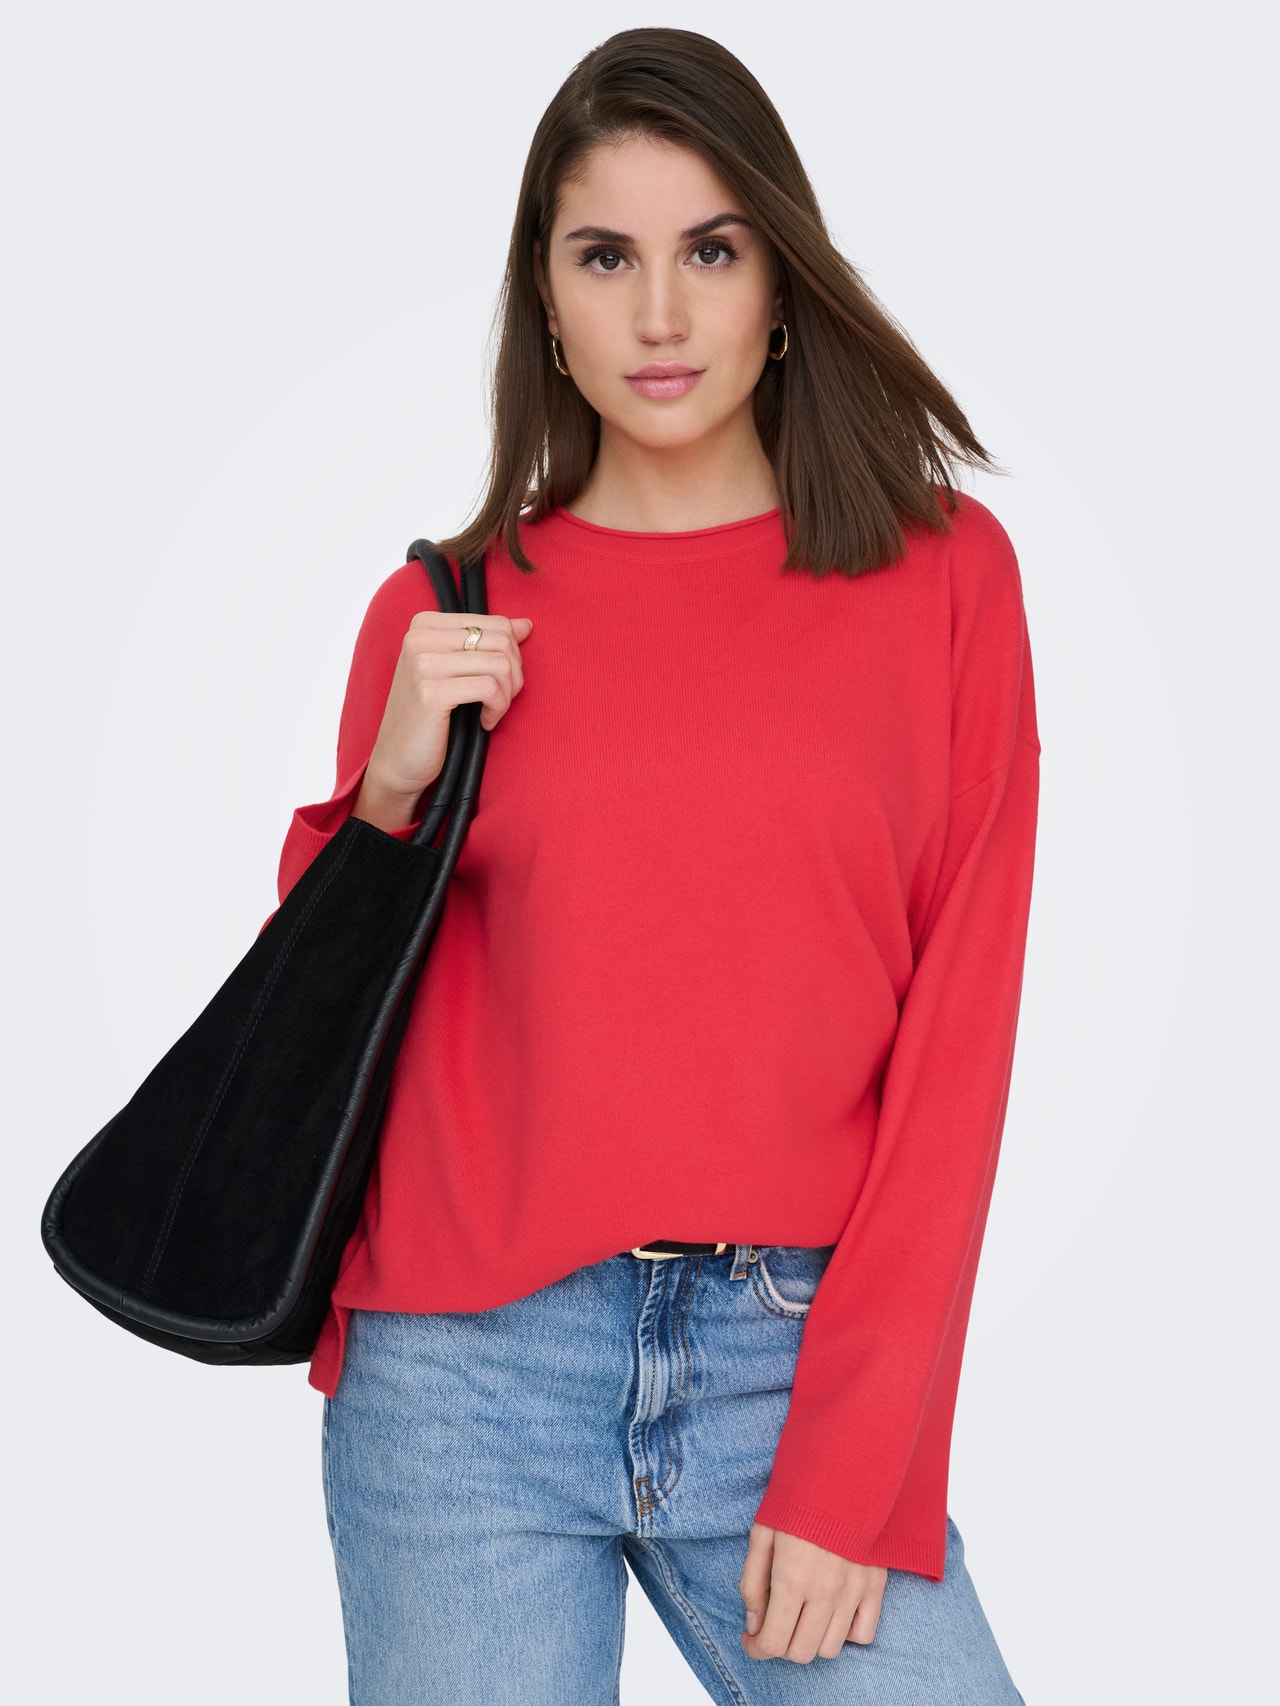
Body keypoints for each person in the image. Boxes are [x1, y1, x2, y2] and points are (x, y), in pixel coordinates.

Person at [274, 26, 1039, 1703]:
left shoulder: (945, 582)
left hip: (793, 1365)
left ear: (782, 281)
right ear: (547, 302)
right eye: (606, 257)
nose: (662, 314)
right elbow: (314, 1031)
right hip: (463, 1381)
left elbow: (958, 1047)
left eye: (712, 250)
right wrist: (388, 790)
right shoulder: (442, 611)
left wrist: (858, 1458)